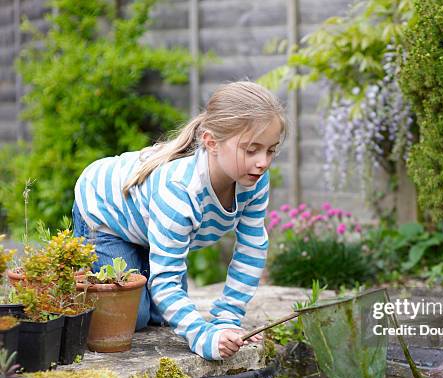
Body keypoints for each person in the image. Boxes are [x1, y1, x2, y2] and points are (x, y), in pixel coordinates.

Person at [72, 81, 286, 360]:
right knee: (134, 317)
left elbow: (252, 249)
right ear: (211, 142)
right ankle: (85, 284)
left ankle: (141, 272)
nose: (263, 162)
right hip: (104, 216)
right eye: (251, 150)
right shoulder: (180, 190)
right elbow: (166, 283)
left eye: (270, 150)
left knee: (163, 316)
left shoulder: (255, 181)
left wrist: (227, 320)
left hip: (149, 227)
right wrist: (204, 336)